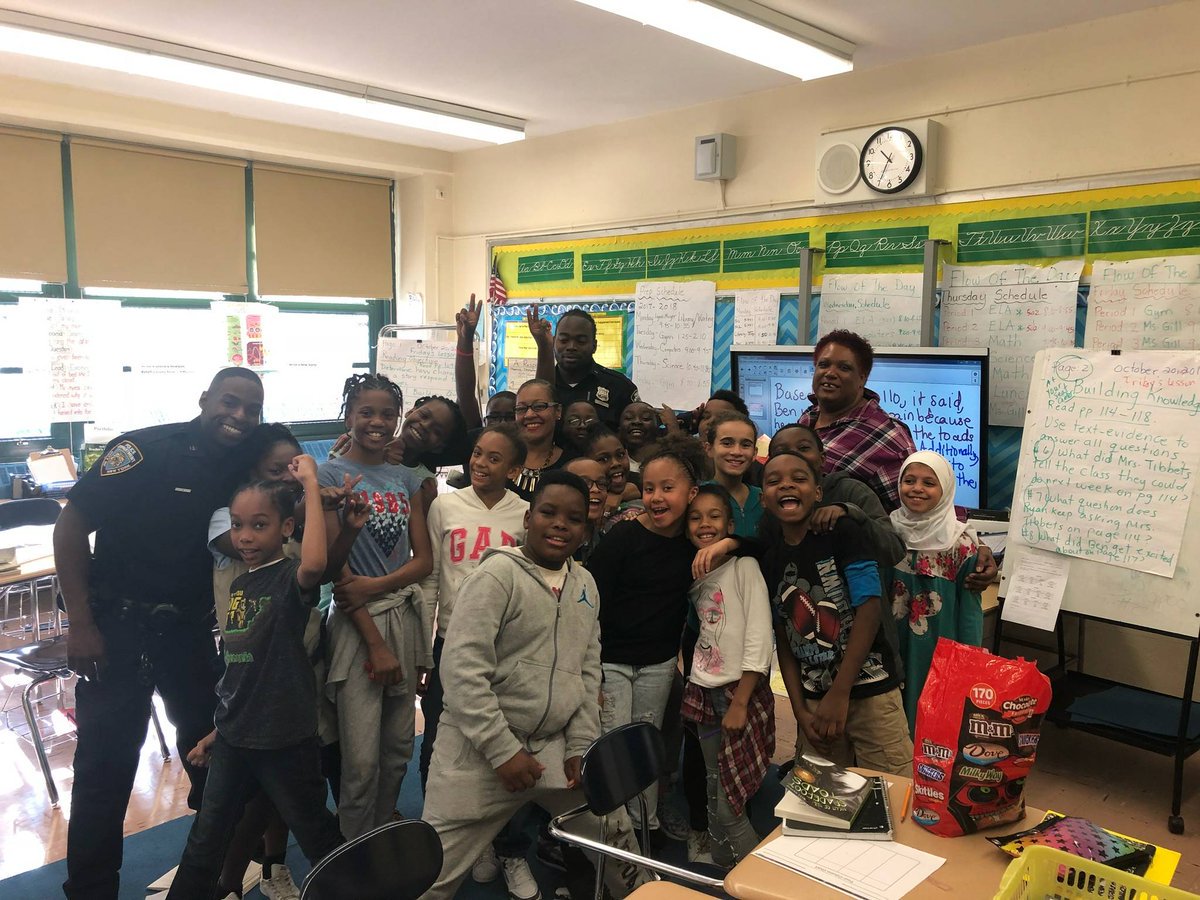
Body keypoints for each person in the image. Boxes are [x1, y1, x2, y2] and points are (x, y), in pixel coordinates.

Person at [55, 366, 264, 900]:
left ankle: (205, 880)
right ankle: (90, 892)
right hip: (117, 632)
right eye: (230, 402)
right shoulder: (143, 451)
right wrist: (81, 623)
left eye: (251, 408)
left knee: (215, 763)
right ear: (205, 398)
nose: (239, 416)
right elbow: (71, 524)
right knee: (104, 772)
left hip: (189, 635)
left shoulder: (247, 460)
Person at [422, 471, 648, 900]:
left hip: (556, 747)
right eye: (548, 512)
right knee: (430, 875)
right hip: (478, 751)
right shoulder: (495, 577)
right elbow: (461, 673)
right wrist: (503, 751)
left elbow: (588, 671)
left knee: (620, 845)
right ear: (528, 519)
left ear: (586, 529)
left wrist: (581, 744)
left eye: (574, 518)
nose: (560, 524)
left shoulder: (585, 584)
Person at [166, 464, 346, 899]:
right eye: (237, 525)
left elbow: (316, 562)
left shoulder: (290, 577)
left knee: (316, 834)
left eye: (259, 525)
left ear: (286, 528)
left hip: (285, 740)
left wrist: (310, 484)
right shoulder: (241, 585)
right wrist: (217, 731)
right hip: (235, 735)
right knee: (205, 839)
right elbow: (242, 668)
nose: (245, 537)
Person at [203, 425, 365, 900]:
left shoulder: (295, 520)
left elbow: (322, 569)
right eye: (279, 470)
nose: (288, 477)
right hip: (247, 696)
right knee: (239, 813)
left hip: (292, 681)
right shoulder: (242, 522)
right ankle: (235, 879)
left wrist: (338, 520)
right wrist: (310, 492)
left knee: (295, 805)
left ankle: (270, 867)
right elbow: (274, 544)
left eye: (294, 468)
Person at [318, 373, 434, 840]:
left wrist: (377, 586)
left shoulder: (405, 479)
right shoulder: (328, 476)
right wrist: (376, 644)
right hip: (356, 625)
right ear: (348, 415)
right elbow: (338, 572)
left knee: (398, 747)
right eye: (366, 412)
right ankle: (354, 848)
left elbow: (423, 560)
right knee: (361, 758)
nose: (377, 422)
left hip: (401, 615)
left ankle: (382, 831)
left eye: (388, 414)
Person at [757, 450, 912, 775]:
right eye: (774, 481)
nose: (786, 485)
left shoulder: (843, 533)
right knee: (822, 793)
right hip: (814, 701)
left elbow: (869, 609)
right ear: (763, 499)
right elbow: (784, 640)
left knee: (891, 788)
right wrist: (800, 711)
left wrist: (840, 693)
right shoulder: (771, 560)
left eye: (799, 478)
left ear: (818, 492)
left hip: (872, 693)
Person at [585, 434, 709, 842]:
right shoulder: (623, 537)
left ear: (691, 494)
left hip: (658, 664)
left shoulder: (693, 545)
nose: (656, 497)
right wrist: (591, 670)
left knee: (646, 742)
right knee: (613, 744)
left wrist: (727, 541)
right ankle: (613, 832)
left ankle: (646, 824)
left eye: (667, 488)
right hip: (611, 662)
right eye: (650, 488)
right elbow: (591, 604)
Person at [680, 485, 774, 867]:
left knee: (731, 804)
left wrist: (741, 701)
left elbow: (759, 635)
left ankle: (757, 878)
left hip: (738, 693)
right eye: (695, 517)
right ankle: (721, 863)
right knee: (713, 784)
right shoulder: (695, 571)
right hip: (703, 689)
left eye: (714, 516)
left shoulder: (744, 566)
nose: (704, 524)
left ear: (730, 526)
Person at [889, 451, 984, 729]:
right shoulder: (888, 532)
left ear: (945, 489)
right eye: (909, 481)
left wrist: (968, 662)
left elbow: (970, 613)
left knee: (932, 721)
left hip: (938, 651)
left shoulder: (960, 544)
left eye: (929, 483)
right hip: (892, 645)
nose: (917, 489)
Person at [796, 330, 917, 513]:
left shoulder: (889, 439)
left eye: (844, 368)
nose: (830, 373)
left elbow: (910, 516)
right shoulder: (808, 417)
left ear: (862, 378)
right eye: (823, 364)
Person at [553, 309, 640, 427]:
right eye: (564, 340)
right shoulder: (543, 387)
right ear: (553, 342)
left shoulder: (620, 387)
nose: (571, 347)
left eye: (581, 341)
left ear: (594, 346)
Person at [704, 412, 763, 536]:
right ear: (709, 449)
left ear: (754, 453)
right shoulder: (698, 497)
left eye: (745, 445)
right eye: (727, 443)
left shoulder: (764, 498)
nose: (736, 452)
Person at [511, 379, 569, 499]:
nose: (529, 415)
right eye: (521, 409)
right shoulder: (501, 459)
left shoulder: (571, 464)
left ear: (558, 411)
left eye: (539, 406)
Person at [583, 423, 642, 531]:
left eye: (620, 455)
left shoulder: (639, 480)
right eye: (603, 459)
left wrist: (619, 496)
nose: (615, 463)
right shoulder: (581, 495)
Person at [564, 456, 609, 563]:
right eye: (584, 483)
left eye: (601, 483)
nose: (596, 489)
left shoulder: (607, 545)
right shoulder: (546, 539)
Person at [618, 401, 660, 471]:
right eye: (629, 418)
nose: (637, 421)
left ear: (657, 427)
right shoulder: (616, 463)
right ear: (619, 427)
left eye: (645, 418)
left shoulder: (668, 460)